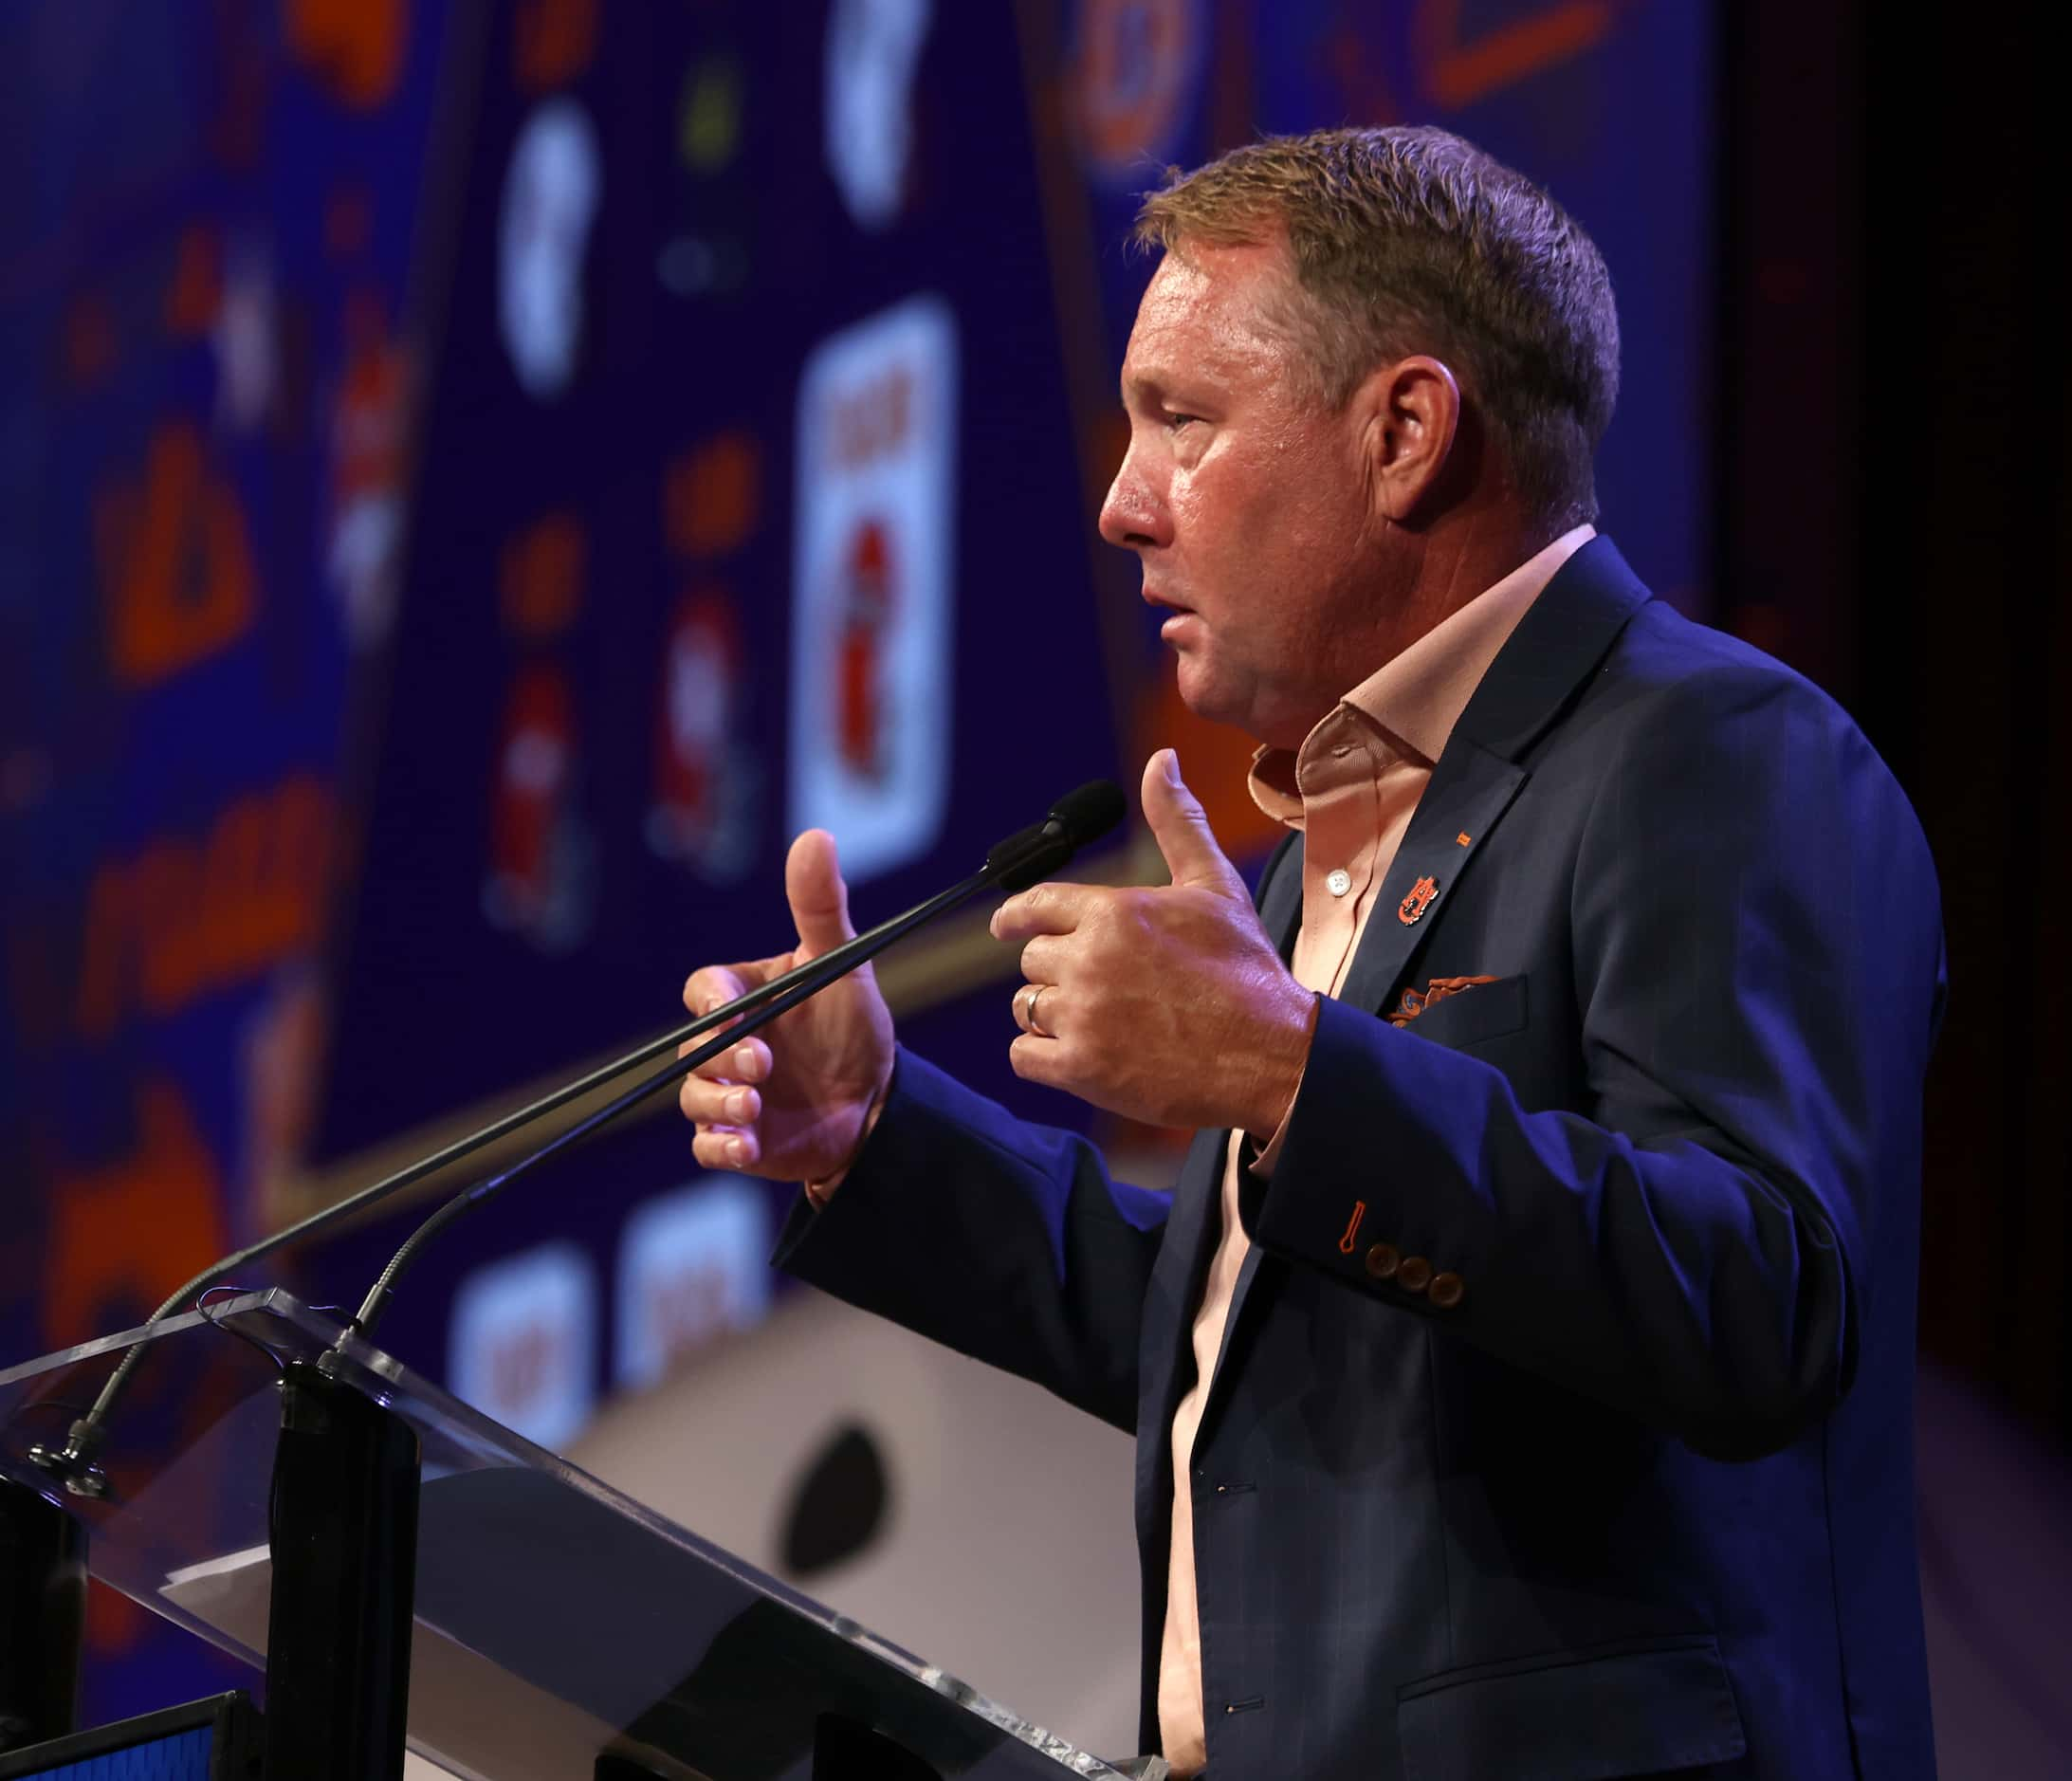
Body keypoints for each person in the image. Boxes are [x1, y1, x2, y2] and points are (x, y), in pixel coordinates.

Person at [677, 127, 1944, 1780]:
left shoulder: (1712, 751)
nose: (1125, 503)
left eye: (1181, 422)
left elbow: (1761, 1294)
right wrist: (876, 1141)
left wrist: (1287, 1069)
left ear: (1405, 434)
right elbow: (1241, 1336)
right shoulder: (1317, 860)